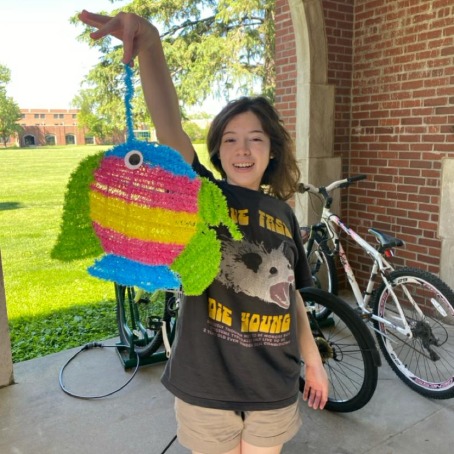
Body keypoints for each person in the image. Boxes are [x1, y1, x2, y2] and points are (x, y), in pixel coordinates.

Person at [79, 10, 329, 454]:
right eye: (230, 138)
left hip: (272, 383)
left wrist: (314, 363)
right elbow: (168, 124)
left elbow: (291, 298)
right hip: (206, 382)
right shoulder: (202, 195)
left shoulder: (284, 214)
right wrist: (151, 44)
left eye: (255, 138)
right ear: (216, 149)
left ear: (272, 150)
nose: (243, 149)